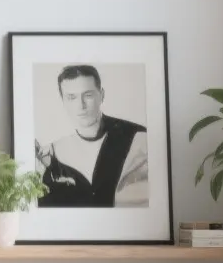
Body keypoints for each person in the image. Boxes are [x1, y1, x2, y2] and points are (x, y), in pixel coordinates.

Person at [35, 65, 149, 208]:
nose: (80, 105)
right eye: (71, 97)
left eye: (88, 95)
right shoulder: (52, 153)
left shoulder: (137, 138)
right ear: (62, 100)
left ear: (101, 95)